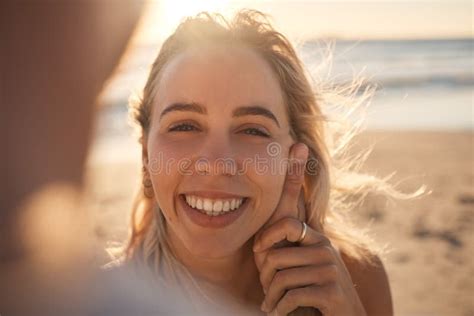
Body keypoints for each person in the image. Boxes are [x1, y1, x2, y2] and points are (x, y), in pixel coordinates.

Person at [110, 9, 398, 316]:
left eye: (252, 130)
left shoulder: (355, 281)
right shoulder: (95, 304)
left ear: (294, 160)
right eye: (184, 126)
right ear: (145, 157)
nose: (216, 163)